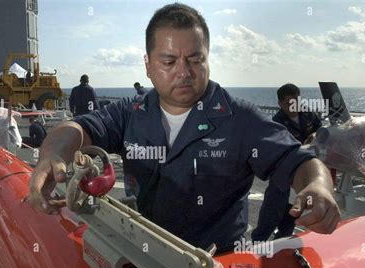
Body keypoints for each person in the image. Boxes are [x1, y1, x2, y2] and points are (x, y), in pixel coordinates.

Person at [27, 3, 340, 254]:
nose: (184, 72)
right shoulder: (130, 113)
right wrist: (52, 155)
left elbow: (300, 161)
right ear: (148, 64)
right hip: (142, 253)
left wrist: (319, 187)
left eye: (195, 59)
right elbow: (77, 128)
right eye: (169, 61)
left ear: (207, 60)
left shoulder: (240, 119)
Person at [252, 84, 322, 242]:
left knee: (289, 221)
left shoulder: (308, 114)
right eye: (289, 103)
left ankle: (281, 252)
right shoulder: (277, 123)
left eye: (296, 101)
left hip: (302, 176)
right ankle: (255, 253)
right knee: (268, 220)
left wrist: (315, 135)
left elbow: (321, 130)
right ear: (280, 104)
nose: (294, 106)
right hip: (282, 178)